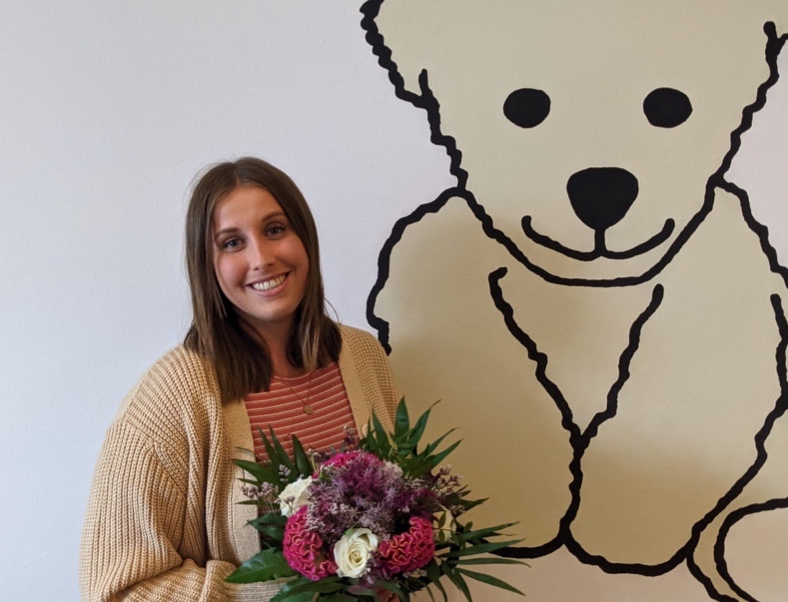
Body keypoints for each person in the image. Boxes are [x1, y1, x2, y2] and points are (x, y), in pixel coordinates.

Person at [80, 157, 399, 601]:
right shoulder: (172, 397)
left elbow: (401, 506)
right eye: (232, 242)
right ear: (206, 264)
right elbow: (117, 588)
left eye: (275, 230)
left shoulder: (362, 356)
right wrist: (273, 592)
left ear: (304, 237)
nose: (262, 259)